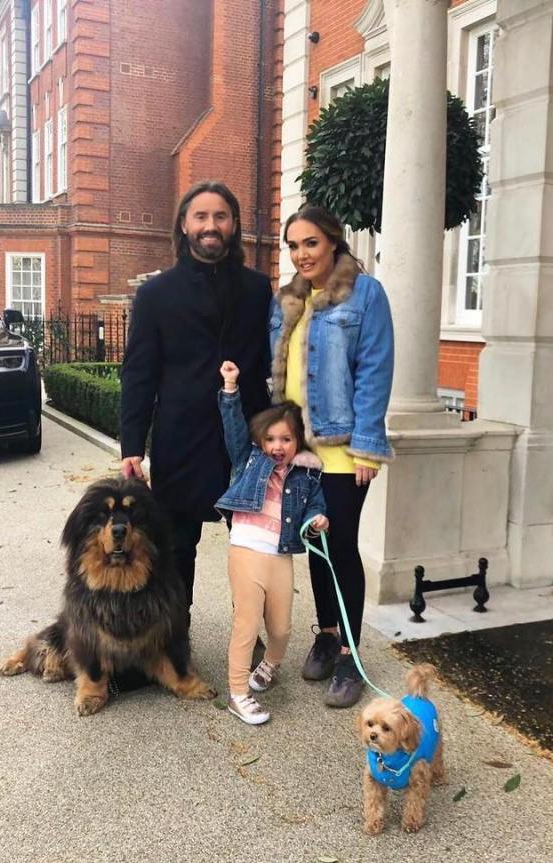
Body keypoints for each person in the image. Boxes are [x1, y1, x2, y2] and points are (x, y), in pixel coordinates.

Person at [120, 181, 272, 608]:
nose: (211, 225)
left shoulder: (258, 290)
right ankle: (174, 637)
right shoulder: (155, 295)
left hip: (246, 440)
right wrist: (132, 445)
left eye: (220, 216)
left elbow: (267, 364)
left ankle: (251, 632)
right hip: (180, 439)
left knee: (252, 544)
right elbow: (138, 374)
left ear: (234, 225)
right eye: (201, 216)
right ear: (184, 225)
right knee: (176, 546)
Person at [270, 204, 394, 709]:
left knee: (341, 546)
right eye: (293, 246)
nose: (301, 254)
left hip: (344, 447)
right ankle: (323, 634)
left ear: (334, 243)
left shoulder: (366, 294)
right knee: (315, 546)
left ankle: (349, 655)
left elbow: (375, 369)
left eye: (310, 243)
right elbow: (279, 369)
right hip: (301, 449)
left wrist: (367, 442)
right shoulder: (288, 300)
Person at [215, 360, 328, 725]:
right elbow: (233, 430)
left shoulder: (308, 475)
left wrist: (316, 521)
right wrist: (230, 389)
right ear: (261, 441)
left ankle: (271, 664)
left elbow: (315, 508)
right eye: (271, 439)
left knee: (281, 628)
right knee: (247, 623)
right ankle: (237, 692)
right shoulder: (250, 459)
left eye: (286, 439)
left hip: (281, 555)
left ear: (297, 442)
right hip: (246, 549)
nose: (278, 446)